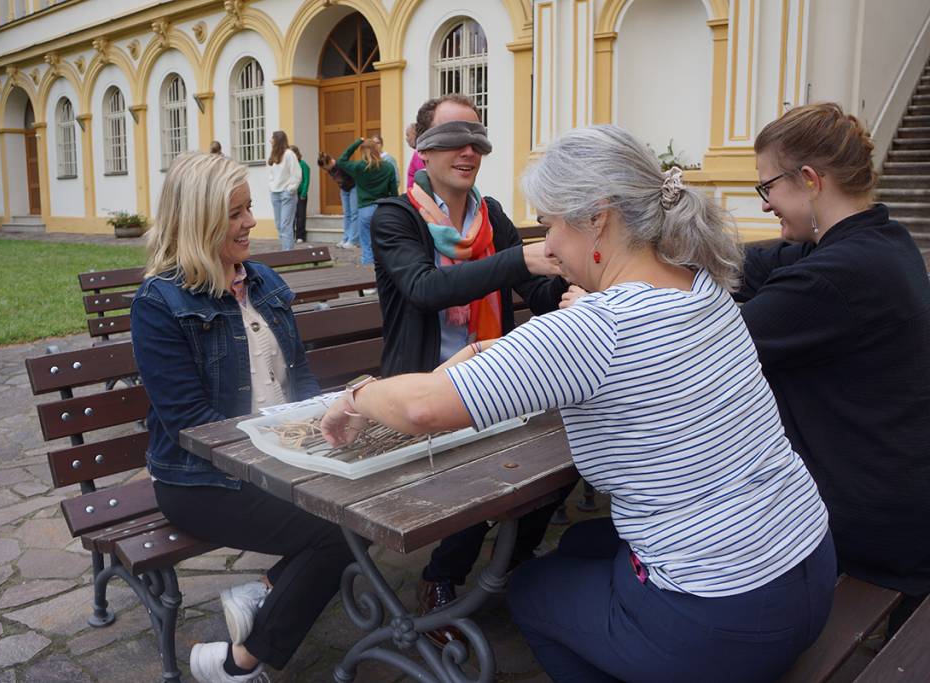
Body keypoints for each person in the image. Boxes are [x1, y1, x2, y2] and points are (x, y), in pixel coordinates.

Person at [323, 125, 836, 683]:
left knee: (532, 589)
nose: (549, 248)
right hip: (807, 563)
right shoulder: (703, 285)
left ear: (597, 217)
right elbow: (599, 362)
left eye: (549, 225)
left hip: (721, 614)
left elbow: (422, 408)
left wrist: (357, 395)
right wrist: (497, 355)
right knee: (580, 542)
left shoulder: (600, 325)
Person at [130, 151, 354, 683]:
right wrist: (283, 459)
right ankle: (242, 662)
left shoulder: (264, 283)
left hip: (281, 456)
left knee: (372, 506)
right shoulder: (159, 304)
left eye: (249, 207)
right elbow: (193, 425)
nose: (252, 221)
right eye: (235, 212)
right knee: (340, 529)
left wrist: (325, 432)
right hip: (201, 479)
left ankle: (264, 595)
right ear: (199, 220)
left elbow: (299, 382)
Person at [369, 93, 569, 647]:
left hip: (494, 377)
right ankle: (439, 579)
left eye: (476, 140)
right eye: (451, 139)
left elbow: (535, 291)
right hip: (423, 387)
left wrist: (572, 287)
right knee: (478, 478)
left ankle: (515, 559)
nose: (467, 151)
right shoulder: (394, 216)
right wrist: (516, 259)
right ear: (421, 147)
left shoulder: (492, 216)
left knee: (560, 462)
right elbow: (423, 289)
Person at [735, 102, 930, 631]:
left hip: (869, 522)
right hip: (902, 496)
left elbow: (708, 353)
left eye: (767, 187)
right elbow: (759, 263)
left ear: (809, 180)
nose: (768, 203)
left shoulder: (835, 276)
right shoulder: (883, 242)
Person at [336, 137, 397, 265]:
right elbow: (394, 192)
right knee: (383, 242)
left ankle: (369, 275)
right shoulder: (388, 167)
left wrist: (358, 142)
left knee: (366, 245)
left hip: (365, 209)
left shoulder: (359, 167)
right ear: (377, 150)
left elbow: (341, 161)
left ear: (363, 152)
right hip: (383, 208)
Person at [266, 130, 301, 251]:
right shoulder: (274, 156)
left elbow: (296, 174)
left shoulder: (289, 154)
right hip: (275, 193)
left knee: (286, 225)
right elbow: (271, 175)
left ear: (278, 140)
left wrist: (290, 189)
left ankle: (288, 254)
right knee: (279, 225)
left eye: (272, 138)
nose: (270, 140)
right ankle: (285, 251)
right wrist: (271, 187)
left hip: (287, 194)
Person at [317, 153, 359, 249]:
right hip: (344, 189)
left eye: (325, 167)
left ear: (330, 162)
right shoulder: (330, 168)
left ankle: (353, 240)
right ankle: (346, 238)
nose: (325, 170)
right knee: (346, 214)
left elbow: (354, 174)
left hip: (353, 187)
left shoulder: (341, 164)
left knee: (354, 214)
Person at [289, 145, 309, 244]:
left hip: (301, 194)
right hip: (291, 194)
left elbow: (306, 180)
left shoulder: (303, 164)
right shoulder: (290, 166)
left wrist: (304, 193)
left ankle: (300, 236)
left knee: (300, 216)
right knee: (291, 216)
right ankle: (291, 235)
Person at [404, 122, 425, 190]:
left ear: (415, 134)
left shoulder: (420, 154)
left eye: (408, 135)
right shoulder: (417, 152)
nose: (406, 139)